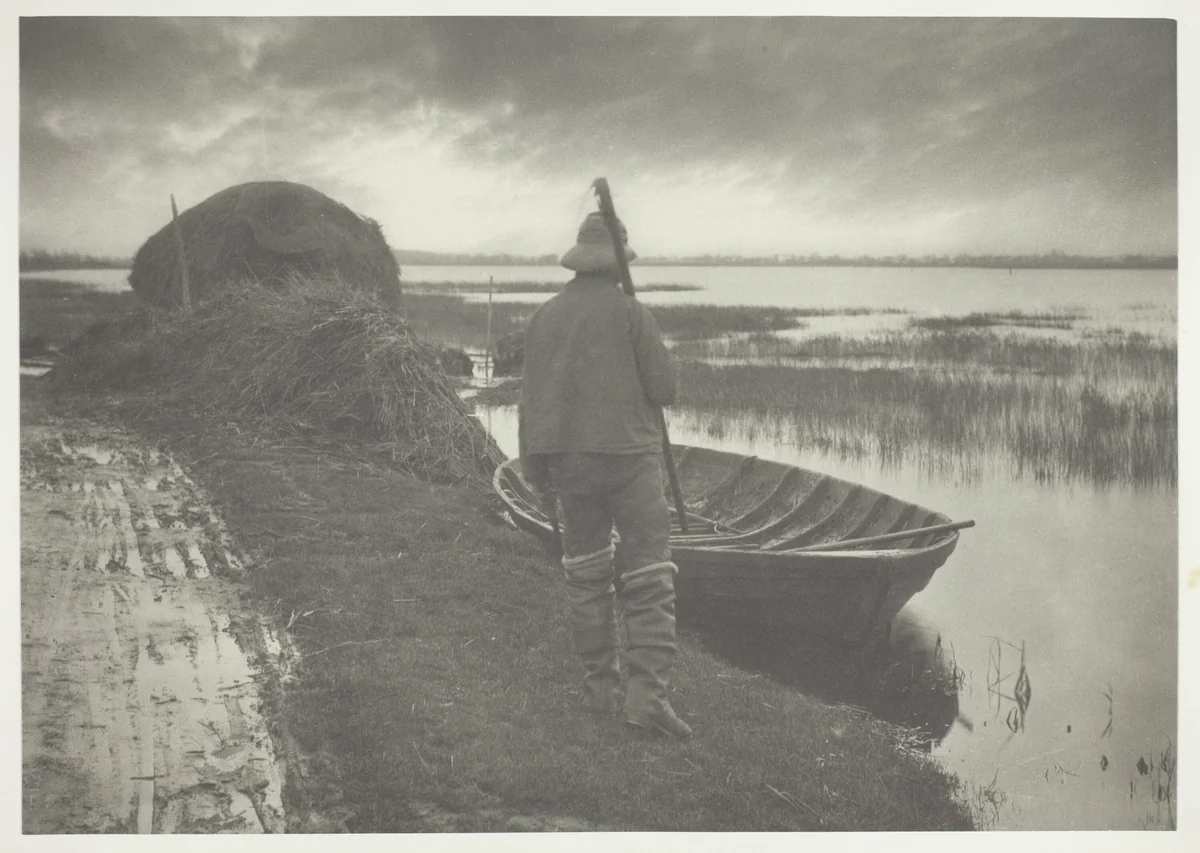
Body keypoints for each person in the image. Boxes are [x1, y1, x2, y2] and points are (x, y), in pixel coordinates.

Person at [517, 210, 691, 740]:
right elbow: (664, 391)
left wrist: (535, 470)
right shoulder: (632, 313)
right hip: (631, 464)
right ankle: (647, 703)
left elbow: (532, 402)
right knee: (649, 578)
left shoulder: (544, 317)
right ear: (616, 264)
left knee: (587, 574)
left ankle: (599, 691)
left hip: (570, 466)